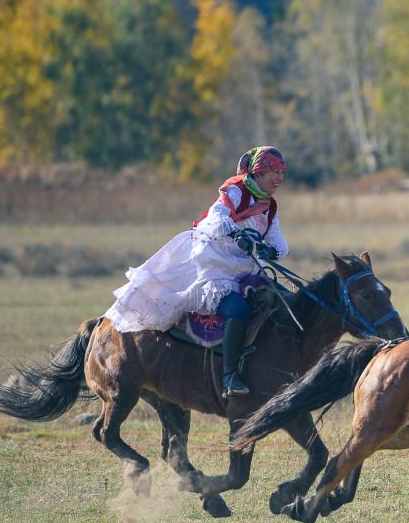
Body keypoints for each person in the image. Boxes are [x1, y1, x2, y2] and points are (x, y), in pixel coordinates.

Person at [104, 146, 289, 397]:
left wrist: (272, 251)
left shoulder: (270, 206)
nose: (279, 179)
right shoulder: (235, 190)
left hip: (245, 270)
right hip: (214, 266)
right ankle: (230, 376)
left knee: (283, 303)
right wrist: (236, 233)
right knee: (238, 311)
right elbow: (216, 217)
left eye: (281, 173)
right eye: (275, 172)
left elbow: (278, 241)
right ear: (259, 171)